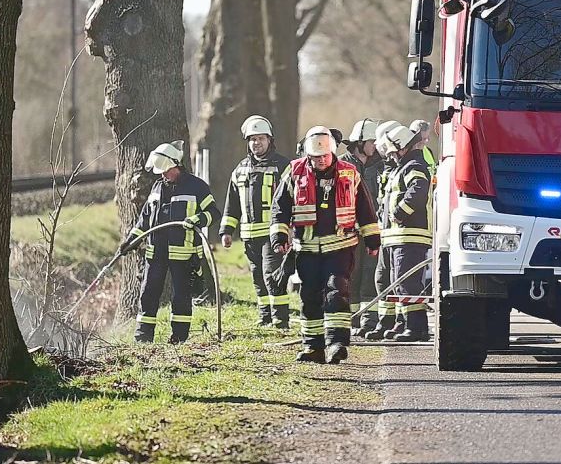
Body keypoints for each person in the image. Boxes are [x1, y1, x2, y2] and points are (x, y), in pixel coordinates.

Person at [270, 126, 381, 364]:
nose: (321, 161)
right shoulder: (294, 172)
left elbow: (365, 208)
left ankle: (336, 343)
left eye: (325, 156)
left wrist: (372, 239)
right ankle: (313, 346)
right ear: (308, 155)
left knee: (335, 291)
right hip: (307, 249)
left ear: (332, 152)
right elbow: (280, 208)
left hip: (341, 247)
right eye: (316, 157)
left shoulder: (349, 174)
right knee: (310, 296)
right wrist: (279, 237)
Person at [120, 141, 221, 344]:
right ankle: (143, 335)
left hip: (182, 253)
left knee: (181, 297)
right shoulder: (157, 187)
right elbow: (145, 219)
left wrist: (196, 220)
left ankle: (179, 337)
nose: (163, 175)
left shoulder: (196, 187)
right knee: (148, 293)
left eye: (166, 170)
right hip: (155, 252)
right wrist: (131, 240)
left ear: (177, 165)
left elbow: (213, 213)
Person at [219, 115, 291, 328]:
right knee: (258, 278)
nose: (256, 143)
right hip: (249, 235)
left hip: (273, 233)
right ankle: (265, 316)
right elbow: (231, 205)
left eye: (260, 138)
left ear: (270, 140)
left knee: (272, 275)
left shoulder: (283, 166)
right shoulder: (240, 169)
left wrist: (290, 229)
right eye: (252, 139)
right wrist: (226, 231)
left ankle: (280, 318)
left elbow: (292, 200)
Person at [379, 126, 433, 341]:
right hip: (397, 237)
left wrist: (400, 212)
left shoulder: (414, 166)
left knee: (407, 283)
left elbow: (419, 189)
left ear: (401, 147)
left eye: (392, 150)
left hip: (410, 235)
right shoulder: (402, 167)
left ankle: (416, 327)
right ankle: (404, 324)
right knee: (398, 282)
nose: (390, 155)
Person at [340, 119, 382, 336]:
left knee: (370, 273)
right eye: (371, 141)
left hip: (372, 230)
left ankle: (369, 319)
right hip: (347, 231)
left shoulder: (381, 165)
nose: (375, 145)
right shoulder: (341, 165)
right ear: (359, 142)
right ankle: (351, 319)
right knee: (350, 275)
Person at [364, 120, 404, 341]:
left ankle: (403, 322)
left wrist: (397, 212)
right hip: (386, 234)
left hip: (402, 235)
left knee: (400, 281)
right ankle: (386, 320)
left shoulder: (407, 167)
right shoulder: (389, 168)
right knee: (382, 279)